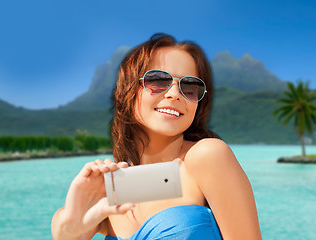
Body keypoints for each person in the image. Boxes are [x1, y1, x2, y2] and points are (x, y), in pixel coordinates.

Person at [51, 33, 262, 240]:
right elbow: (65, 231)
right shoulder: (119, 187)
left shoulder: (206, 157)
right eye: (158, 80)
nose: (174, 93)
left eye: (190, 87)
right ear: (128, 90)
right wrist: (71, 221)